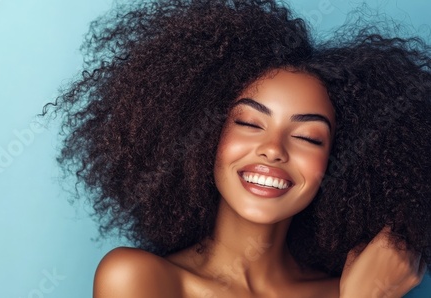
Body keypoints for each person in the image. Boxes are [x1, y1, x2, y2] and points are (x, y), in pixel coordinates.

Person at [42, 0, 430, 296]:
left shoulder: (353, 289)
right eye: (248, 123)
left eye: (308, 137)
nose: (273, 149)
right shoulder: (140, 278)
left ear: (342, 161)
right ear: (203, 135)